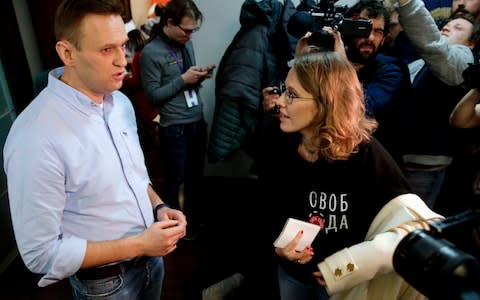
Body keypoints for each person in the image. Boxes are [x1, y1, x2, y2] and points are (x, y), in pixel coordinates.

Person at [3, 0, 187, 299]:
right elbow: (41, 255)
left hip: (152, 263)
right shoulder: (35, 137)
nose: (123, 61)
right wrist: (141, 244)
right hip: (106, 286)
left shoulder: (120, 103)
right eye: (106, 50)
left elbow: (135, 177)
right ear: (67, 53)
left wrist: (159, 207)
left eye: (123, 45)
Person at [255, 49, 440, 300]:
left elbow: (409, 226)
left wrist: (348, 265)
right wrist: (279, 248)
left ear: (326, 102)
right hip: (290, 273)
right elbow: (264, 209)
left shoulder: (365, 152)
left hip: (342, 284)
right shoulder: (277, 140)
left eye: (293, 95)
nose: (280, 102)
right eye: (283, 90)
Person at [393, 0, 480, 208]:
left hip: (425, 165)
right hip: (402, 156)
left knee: (411, 227)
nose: (447, 28)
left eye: (458, 28)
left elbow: (436, 49)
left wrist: (408, 3)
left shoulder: (463, 59)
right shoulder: (421, 63)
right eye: (446, 26)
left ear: (471, 44)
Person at [140, 0, 214, 236]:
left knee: (196, 176)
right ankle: (172, 227)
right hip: (174, 127)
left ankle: (193, 221)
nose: (190, 36)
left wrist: (199, 76)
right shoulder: (150, 53)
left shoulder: (184, 44)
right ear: (170, 23)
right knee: (175, 179)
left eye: (194, 30)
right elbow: (153, 96)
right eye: (187, 30)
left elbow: (185, 81)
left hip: (196, 119)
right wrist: (183, 80)